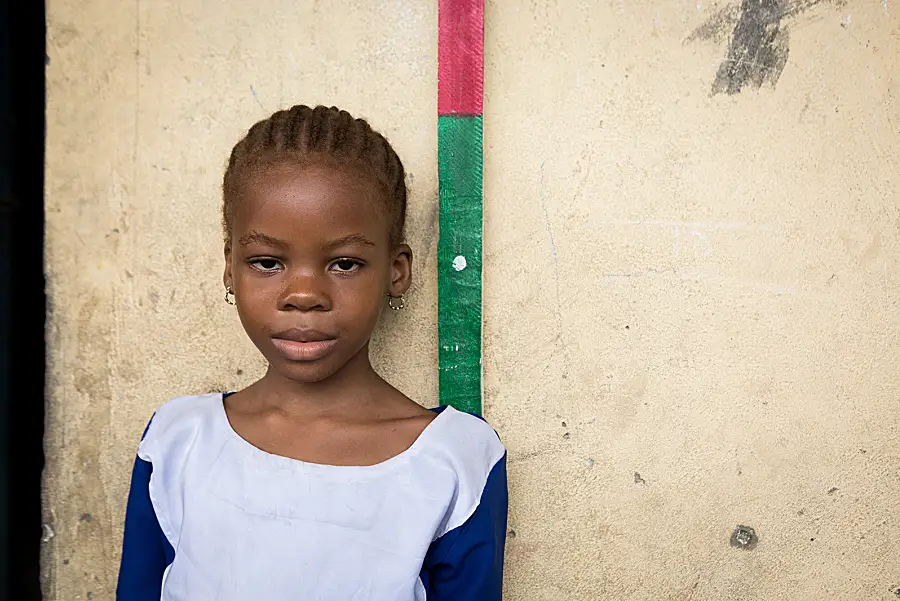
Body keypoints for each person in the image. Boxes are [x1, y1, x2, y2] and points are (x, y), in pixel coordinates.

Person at [115, 105, 508, 600]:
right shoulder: (177, 444)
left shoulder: (454, 462)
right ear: (229, 268)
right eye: (266, 262)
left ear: (397, 271)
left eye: (344, 263)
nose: (304, 294)